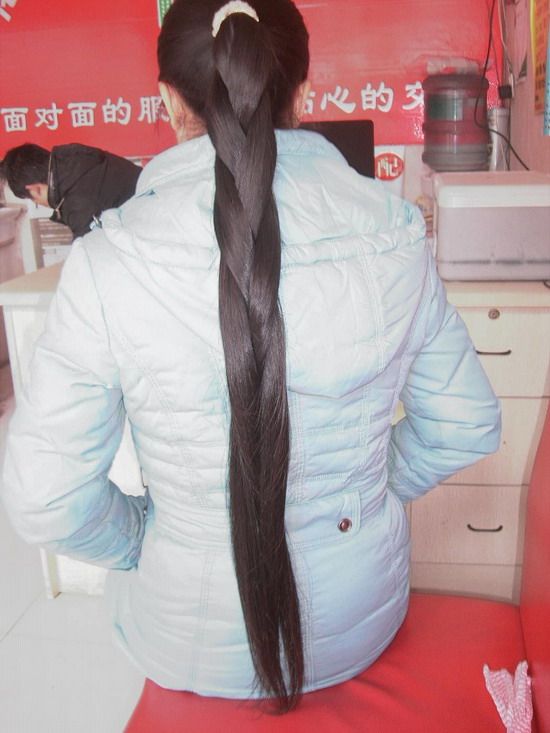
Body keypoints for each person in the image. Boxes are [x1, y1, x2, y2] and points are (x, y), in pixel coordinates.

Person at [1, 0, 501, 716]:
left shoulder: (109, 262)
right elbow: (466, 424)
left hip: (184, 637)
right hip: (360, 619)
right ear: (303, 92)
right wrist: (361, 496)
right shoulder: (393, 234)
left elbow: (45, 497)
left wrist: (145, 537)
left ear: (169, 103)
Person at [0, 142, 141, 238]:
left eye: (32, 198)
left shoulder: (78, 206)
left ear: (36, 190)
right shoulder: (77, 157)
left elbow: (89, 259)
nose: (38, 202)